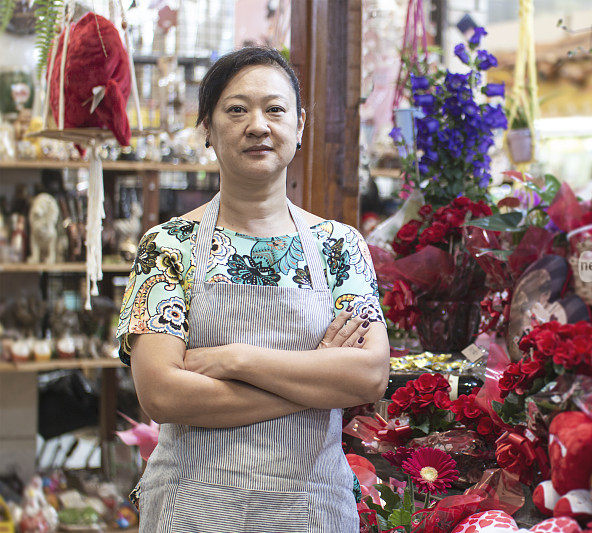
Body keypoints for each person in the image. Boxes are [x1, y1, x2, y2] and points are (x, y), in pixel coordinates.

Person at [115, 47, 390, 532]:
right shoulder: (168, 246)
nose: (258, 125)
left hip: (311, 510)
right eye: (236, 109)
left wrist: (235, 359)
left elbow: (368, 376)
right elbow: (161, 394)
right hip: (192, 508)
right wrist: (317, 386)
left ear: (300, 125)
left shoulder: (339, 246)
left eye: (275, 109)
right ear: (207, 128)